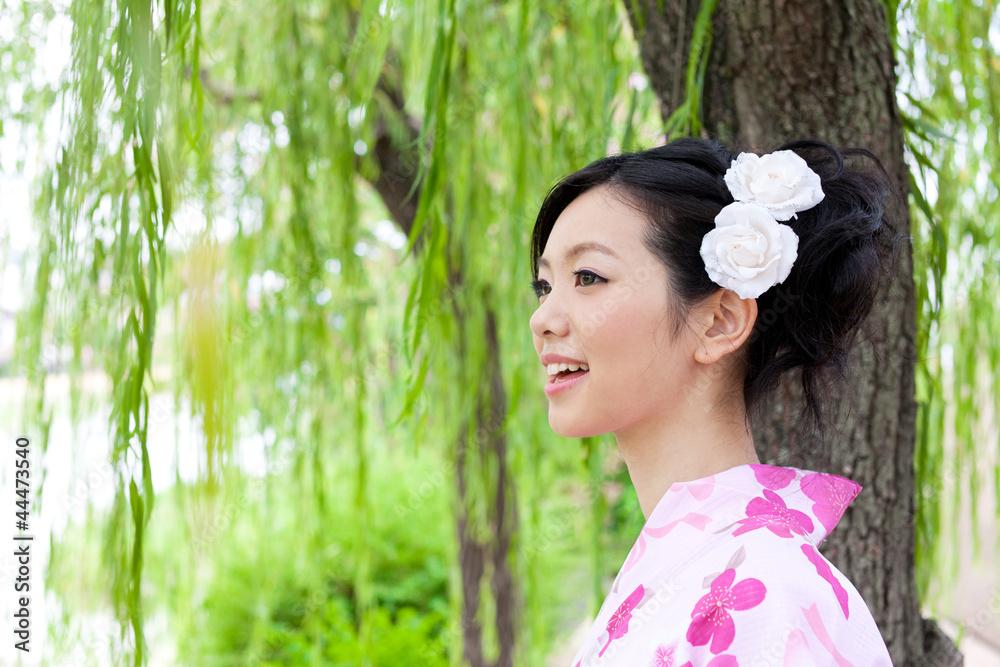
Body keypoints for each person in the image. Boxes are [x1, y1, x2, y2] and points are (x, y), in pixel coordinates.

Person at [528, 138, 898, 666]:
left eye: (588, 277)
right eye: (544, 285)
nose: (542, 319)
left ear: (720, 320)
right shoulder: (689, 572)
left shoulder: (769, 592)